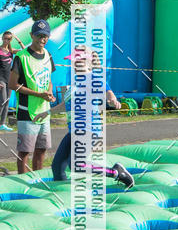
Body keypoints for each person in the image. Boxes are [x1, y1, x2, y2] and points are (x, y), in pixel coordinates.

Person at [48, 47, 133, 187]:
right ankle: (61, 193)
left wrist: (112, 100)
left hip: (88, 130)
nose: (75, 65)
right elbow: (66, 105)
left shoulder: (92, 77)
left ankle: (116, 172)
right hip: (74, 131)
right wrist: (47, 113)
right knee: (57, 166)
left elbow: (107, 90)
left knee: (77, 164)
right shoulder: (77, 81)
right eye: (74, 62)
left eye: (78, 62)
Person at [8, 19, 56, 174]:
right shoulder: (21, 57)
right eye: (39, 35)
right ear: (31, 35)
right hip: (26, 111)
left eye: (45, 36)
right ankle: (23, 182)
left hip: (44, 112)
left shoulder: (48, 55)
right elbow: (12, 84)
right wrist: (38, 94)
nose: (42, 39)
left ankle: (37, 179)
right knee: (24, 151)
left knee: (41, 149)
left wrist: (49, 92)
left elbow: (49, 80)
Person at [0, 30, 25, 130]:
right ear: (2, 38)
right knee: (2, 101)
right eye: (5, 38)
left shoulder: (11, 50)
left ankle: (2, 124)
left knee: (7, 101)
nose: (6, 40)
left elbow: (24, 50)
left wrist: (18, 40)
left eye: (9, 39)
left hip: (9, 79)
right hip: (1, 78)